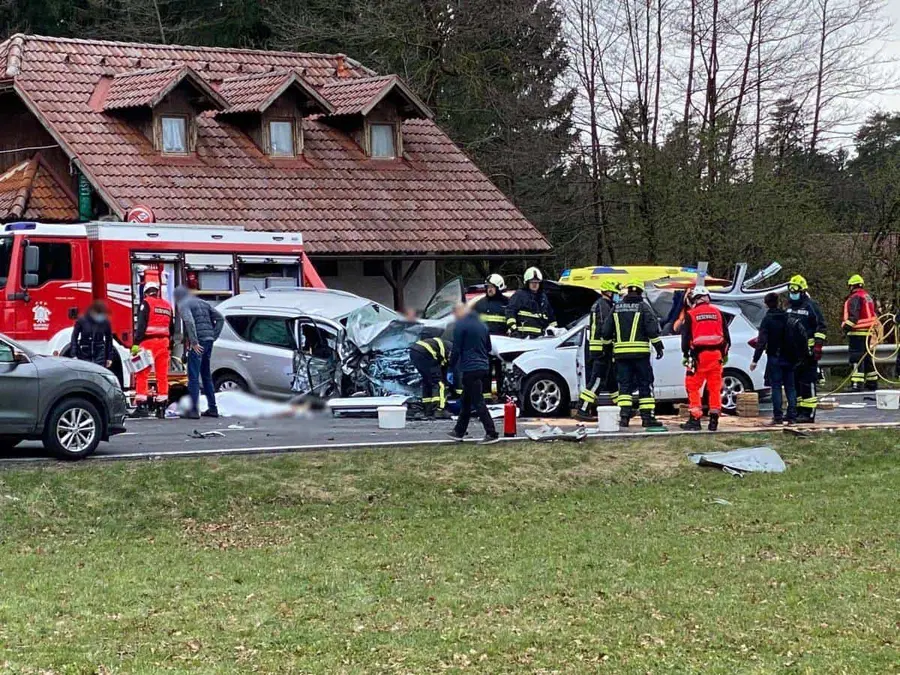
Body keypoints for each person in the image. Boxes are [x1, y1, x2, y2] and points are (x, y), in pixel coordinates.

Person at [601, 279, 664, 428]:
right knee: (644, 384)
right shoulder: (643, 307)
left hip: (621, 356)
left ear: (628, 291)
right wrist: (658, 346)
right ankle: (647, 418)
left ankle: (624, 417)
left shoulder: (616, 308)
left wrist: (607, 348)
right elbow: (651, 329)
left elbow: (605, 331)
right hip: (640, 355)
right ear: (641, 292)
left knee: (624, 386)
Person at [679, 287, 731, 432]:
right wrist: (724, 355)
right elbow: (727, 337)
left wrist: (685, 355)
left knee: (692, 386)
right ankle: (714, 420)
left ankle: (695, 419)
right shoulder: (718, 313)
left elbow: (685, 339)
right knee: (714, 388)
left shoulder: (691, 314)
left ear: (695, 299)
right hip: (716, 356)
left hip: (698, 357)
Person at [447, 303, 499, 444]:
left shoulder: (461, 326)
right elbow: (488, 347)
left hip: (470, 368)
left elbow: (456, 349)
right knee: (466, 400)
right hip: (483, 366)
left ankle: (491, 432)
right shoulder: (482, 325)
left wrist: (450, 369)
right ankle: (459, 431)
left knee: (477, 401)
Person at [750, 292, 802, 425]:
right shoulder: (787, 317)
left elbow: (761, 341)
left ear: (766, 304)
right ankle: (792, 416)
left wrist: (755, 360)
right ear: (778, 302)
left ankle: (778, 416)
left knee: (776, 387)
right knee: (790, 387)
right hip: (789, 356)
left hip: (775, 356)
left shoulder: (768, 320)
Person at [174, 285, 225, 419]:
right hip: (208, 341)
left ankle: (194, 410)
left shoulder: (184, 304)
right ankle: (213, 408)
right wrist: (213, 336)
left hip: (199, 342)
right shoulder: (203, 303)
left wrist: (194, 342)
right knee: (206, 375)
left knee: (194, 377)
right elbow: (220, 318)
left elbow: (189, 322)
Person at [784, 275, 827, 423]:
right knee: (794, 382)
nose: (792, 293)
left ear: (802, 291)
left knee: (807, 382)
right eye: (791, 291)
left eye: (795, 291)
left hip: (808, 352)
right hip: (792, 352)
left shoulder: (811, 306)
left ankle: (808, 413)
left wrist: (817, 346)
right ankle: (797, 411)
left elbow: (821, 326)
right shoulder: (789, 306)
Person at [576, 280, 620, 420]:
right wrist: (610, 343)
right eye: (615, 293)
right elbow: (605, 329)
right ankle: (583, 409)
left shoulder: (601, 305)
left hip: (601, 348)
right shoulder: (603, 306)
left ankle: (623, 408)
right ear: (608, 292)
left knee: (612, 381)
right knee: (597, 380)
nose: (616, 296)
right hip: (602, 349)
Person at [133, 281, 174, 416]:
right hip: (164, 343)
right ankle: (161, 407)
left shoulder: (146, 303)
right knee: (162, 376)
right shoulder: (167, 306)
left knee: (141, 374)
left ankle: (142, 406)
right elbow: (172, 328)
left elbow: (141, 325)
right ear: (157, 292)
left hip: (148, 343)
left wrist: (135, 343)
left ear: (145, 292)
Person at [473, 274, 509, 400]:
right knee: (485, 370)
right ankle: (486, 396)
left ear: (499, 287)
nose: (489, 289)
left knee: (502, 371)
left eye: (492, 287)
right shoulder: (480, 305)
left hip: (503, 343)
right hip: (484, 343)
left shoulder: (507, 304)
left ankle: (502, 394)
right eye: (488, 287)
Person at [842, 275, 878, 392]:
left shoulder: (855, 298)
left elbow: (853, 317)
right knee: (867, 358)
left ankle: (857, 384)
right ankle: (872, 383)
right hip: (869, 332)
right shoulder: (867, 296)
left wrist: (845, 328)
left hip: (857, 332)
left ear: (852, 286)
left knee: (856, 358)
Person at [506, 267, 556, 338]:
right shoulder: (519, 295)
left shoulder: (543, 297)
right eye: (532, 282)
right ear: (527, 283)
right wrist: (514, 329)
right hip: (523, 337)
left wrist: (553, 331)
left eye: (537, 282)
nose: (535, 284)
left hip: (541, 338)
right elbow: (510, 311)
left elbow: (551, 316)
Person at [409, 336, 451, 419]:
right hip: (426, 353)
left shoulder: (448, 346)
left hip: (415, 352)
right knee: (439, 383)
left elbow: (444, 366)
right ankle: (439, 410)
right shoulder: (454, 351)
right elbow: (447, 366)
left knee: (427, 381)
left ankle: (428, 409)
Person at [70, 299, 114, 370]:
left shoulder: (105, 322)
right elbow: (74, 337)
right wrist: (74, 354)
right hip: (84, 352)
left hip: (100, 353)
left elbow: (109, 339)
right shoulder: (82, 320)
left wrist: (109, 357)